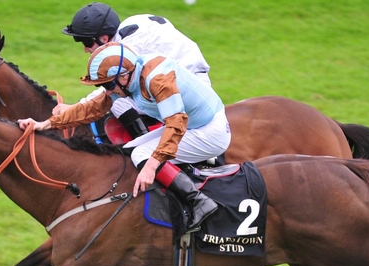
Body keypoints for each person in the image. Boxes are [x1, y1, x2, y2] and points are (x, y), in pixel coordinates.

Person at [18, 42, 230, 230]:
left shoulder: (157, 80)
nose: (107, 91)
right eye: (103, 86)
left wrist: (151, 165)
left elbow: (175, 124)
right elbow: (92, 108)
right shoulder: (129, 77)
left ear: (123, 75)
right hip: (191, 125)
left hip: (209, 131)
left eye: (108, 85)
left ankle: (198, 202)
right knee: (129, 152)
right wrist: (44, 124)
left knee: (143, 157)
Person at [60, 2, 212, 139]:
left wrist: (75, 108)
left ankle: (148, 150)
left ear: (104, 38)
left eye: (87, 42)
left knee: (116, 100)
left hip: (188, 92)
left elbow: (109, 89)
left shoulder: (130, 45)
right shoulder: (130, 27)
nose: (85, 49)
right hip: (188, 83)